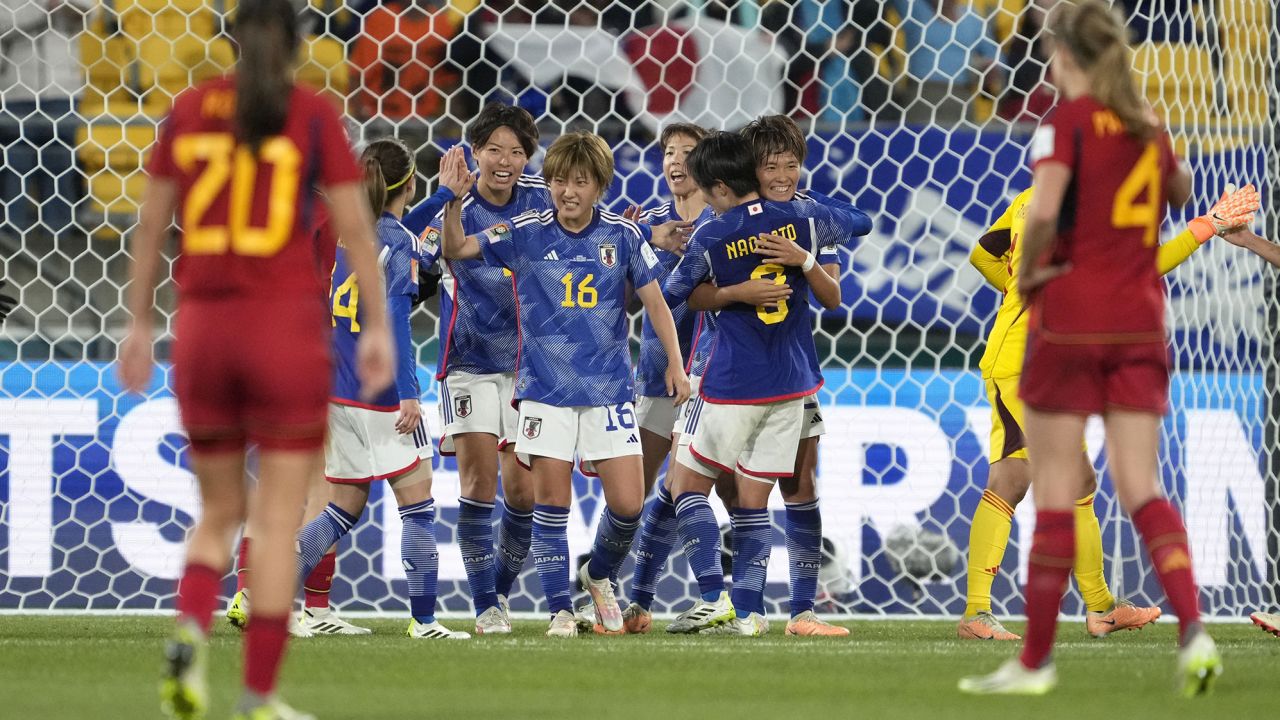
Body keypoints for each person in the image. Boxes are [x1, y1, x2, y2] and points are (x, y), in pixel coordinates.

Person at [118, 2, 393, 719]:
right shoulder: (309, 114)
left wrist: (140, 323)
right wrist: (377, 331)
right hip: (283, 330)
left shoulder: (188, 109)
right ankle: (258, 697)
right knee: (274, 522)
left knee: (216, 513)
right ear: (300, 44)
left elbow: (151, 224)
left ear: (229, 38)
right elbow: (357, 230)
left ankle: (187, 635)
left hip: (204, 328)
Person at [959, 0, 1220, 696]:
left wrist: (1036, 270)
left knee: (1056, 492)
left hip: (1068, 325)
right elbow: (1178, 188)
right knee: (1139, 487)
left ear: (1064, 56)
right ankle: (1193, 631)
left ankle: (1035, 660)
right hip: (1139, 327)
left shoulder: (1063, 126)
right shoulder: (1149, 129)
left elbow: (1042, 216)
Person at [959, 183, 1260, 641]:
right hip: (1027, 362)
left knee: (1016, 478)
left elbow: (983, 254)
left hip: (1032, 357)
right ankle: (1002, 610)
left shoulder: (1032, 196)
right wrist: (1208, 226)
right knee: (1067, 479)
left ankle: (1089, 608)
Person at [441, 131, 690, 637]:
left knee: (627, 503)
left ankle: (597, 576)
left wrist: (677, 366)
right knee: (551, 502)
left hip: (608, 389)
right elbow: (458, 248)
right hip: (544, 391)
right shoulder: (526, 229)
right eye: (558, 181)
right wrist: (451, 202)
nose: (567, 192)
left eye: (579, 182)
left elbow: (657, 302)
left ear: (599, 184)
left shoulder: (620, 234)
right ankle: (559, 609)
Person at [662, 131, 846, 636]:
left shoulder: (740, 227)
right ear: (752, 171)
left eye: (792, 165)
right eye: (771, 167)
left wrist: (804, 258)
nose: (782, 177)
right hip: (782, 379)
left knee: (786, 491)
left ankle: (780, 610)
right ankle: (746, 611)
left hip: (759, 379)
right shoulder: (805, 219)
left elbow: (675, 292)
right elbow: (862, 221)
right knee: (746, 498)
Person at [292, 141, 473, 642]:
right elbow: (395, 320)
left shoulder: (353, 235)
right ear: (407, 185)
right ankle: (424, 621)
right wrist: (409, 393)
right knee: (417, 507)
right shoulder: (397, 243)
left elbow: (400, 236)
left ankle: (271, 597)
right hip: (383, 396)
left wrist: (440, 197)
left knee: (339, 510)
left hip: (339, 393)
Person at [404, 102, 550, 635]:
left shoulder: (541, 203)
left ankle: (502, 591)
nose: (505, 160)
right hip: (466, 363)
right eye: (495, 150)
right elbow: (410, 263)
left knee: (524, 493)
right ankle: (485, 604)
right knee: (478, 482)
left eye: (516, 152)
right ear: (476, 154)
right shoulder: (453, 206)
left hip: (531, 367)